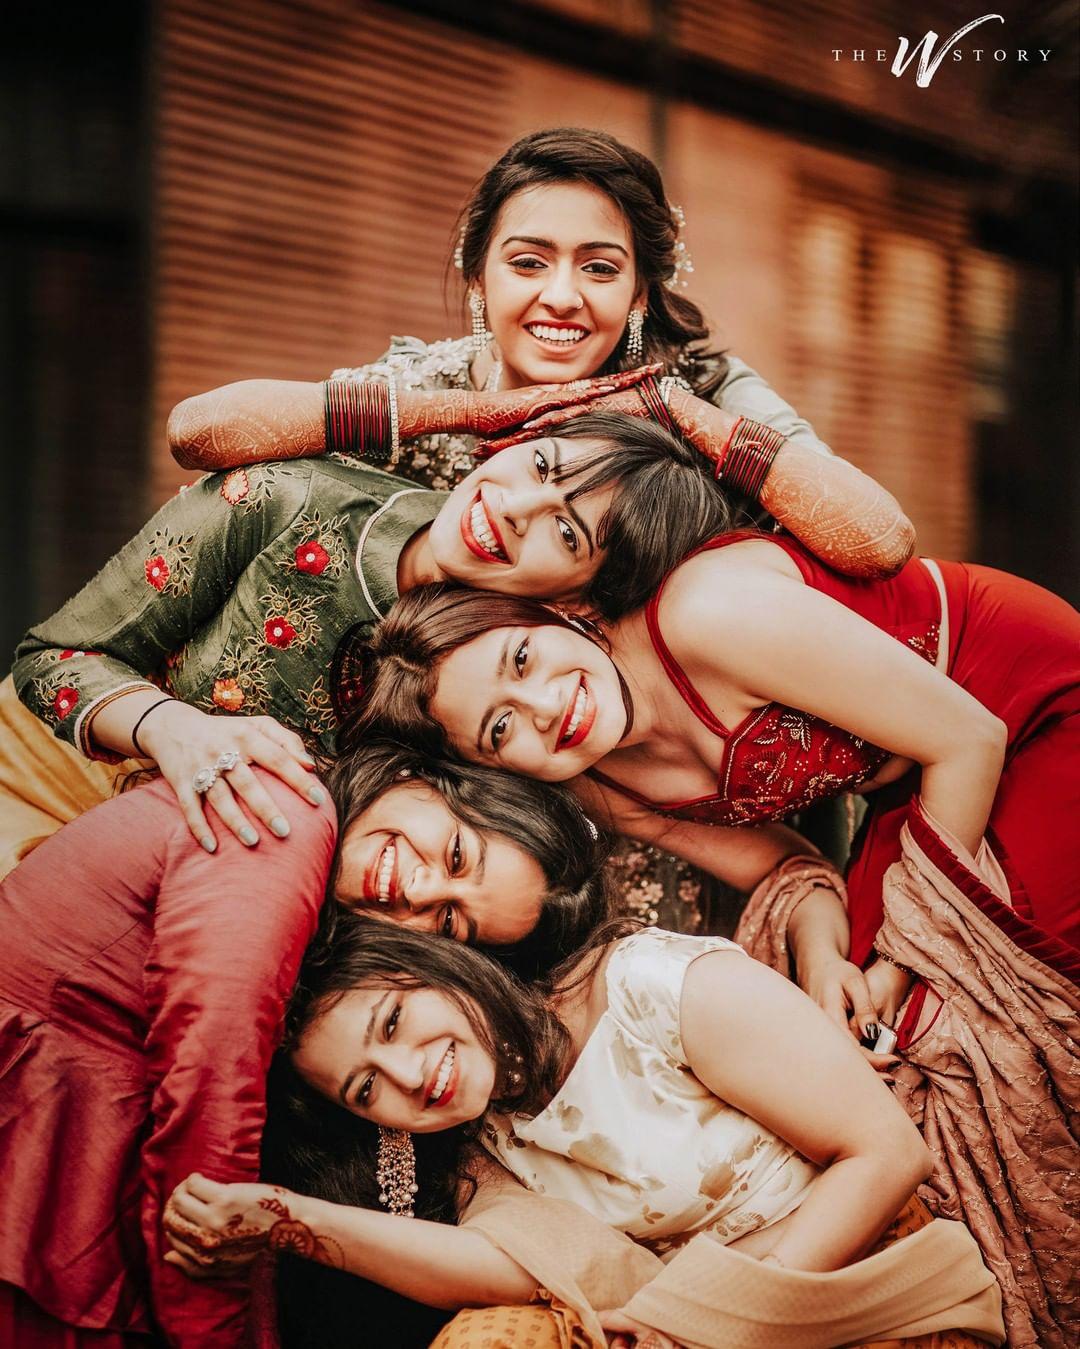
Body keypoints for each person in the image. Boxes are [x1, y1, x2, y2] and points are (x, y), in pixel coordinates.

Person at [355, 415, 1080, 973]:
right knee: (863, 1031)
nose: (544, 707)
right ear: (496, 768)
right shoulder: (587, 777)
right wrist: (830, 962)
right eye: (499, 729)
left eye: (522, 657)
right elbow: (784, 866)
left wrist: (903, 960)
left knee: (980, 1000)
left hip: (1027, 707)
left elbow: (969, 737)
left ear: (560, 611)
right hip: (917, 798)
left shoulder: (707, 615)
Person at [0, 733, 613, 1348]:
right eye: (456, 854)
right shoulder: (283, 812)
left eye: (449, 921)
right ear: (423, 778)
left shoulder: (342, 965)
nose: (421, 893)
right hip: (31, 1101)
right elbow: (210, 1081)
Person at [162, 915, 1004, 1349]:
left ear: (433, 965)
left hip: (861, 1283)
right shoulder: (481, 1144)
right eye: (367, 1086)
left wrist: (697, 1319)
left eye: (393, 1021)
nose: (412, 1075)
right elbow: (499, 1269)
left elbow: (889, 1152)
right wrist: (282, 1217)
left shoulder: (646, 984)